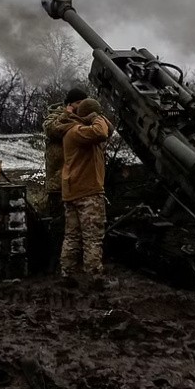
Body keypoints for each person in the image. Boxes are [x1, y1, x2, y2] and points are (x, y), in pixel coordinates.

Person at [60, 98, 113, 278]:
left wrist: (96, 116)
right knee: (92, 238)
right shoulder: (78, 132)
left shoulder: (74, 131)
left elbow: (109, 130)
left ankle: (67, 274)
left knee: (72, 237)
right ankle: (95, 276)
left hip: (74, 192)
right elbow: (102, 132)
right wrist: (96, 117)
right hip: (88, 192)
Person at [42, 88, 88, 273]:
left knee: (78, 227)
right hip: (58, 184)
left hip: (78, 183)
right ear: (70, 104)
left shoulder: (83, 118)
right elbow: (52, 130)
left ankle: (74, 263)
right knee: (58, 226)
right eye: (78, 103)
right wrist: (68, 115)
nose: (81, 107)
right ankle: (54, 263)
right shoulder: (55, 117)